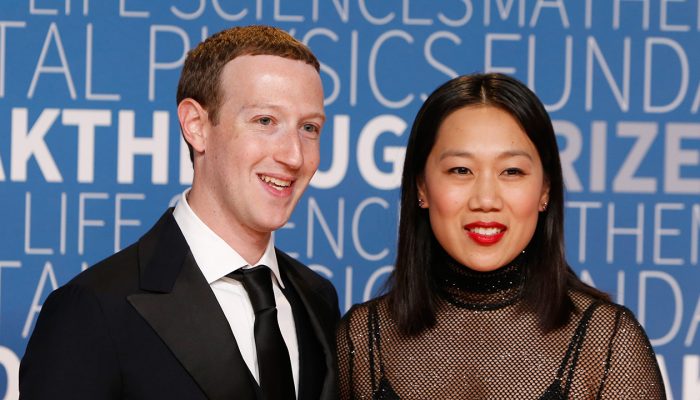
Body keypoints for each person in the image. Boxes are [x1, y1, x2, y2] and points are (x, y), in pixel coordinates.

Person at [20, 25, 340, 400]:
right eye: (265, 121)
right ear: (196, 126)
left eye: (309, 128)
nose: (294, 156)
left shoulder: (318, 299)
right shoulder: (93, 311)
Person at [336, 73, 665, 399]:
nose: (486, 200)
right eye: (461, 170)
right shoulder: (364, 339)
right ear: (422, 186)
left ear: (545, 190)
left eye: (512, 172)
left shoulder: (606, 342)